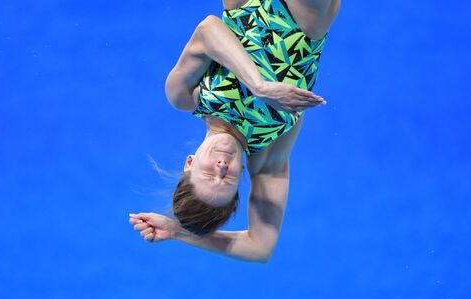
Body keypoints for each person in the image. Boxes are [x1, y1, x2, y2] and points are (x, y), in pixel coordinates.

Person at [129, 0, 340, 262]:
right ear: (240, 174)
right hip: (298, 21)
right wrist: (178, 232)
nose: (220, 166)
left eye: (208, 173)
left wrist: (259, 87)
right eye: (227, 179)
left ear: (190, 163)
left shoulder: (185, 96)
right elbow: (259, 249)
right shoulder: (267, 157)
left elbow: (209, 29)